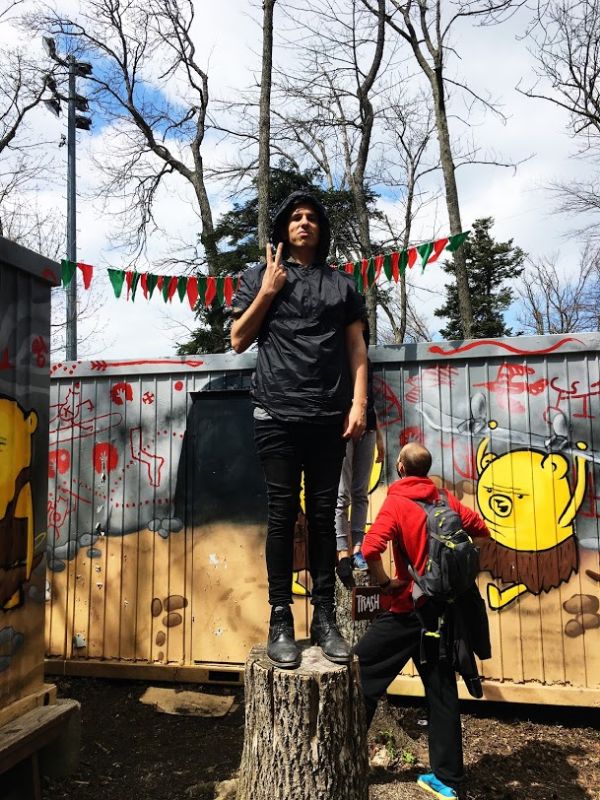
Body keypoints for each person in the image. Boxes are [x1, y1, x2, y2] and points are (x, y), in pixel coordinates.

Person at [231, 190, 368, 669]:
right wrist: (269, 290)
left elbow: (357, 350)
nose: (304, 222)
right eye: (295, 217)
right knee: (283, 515)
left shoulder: (342, 285)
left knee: (324, 515)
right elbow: (237, 339)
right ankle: (280, 619)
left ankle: (325, 618)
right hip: (275, 412)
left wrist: (359, 404)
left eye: (311, 217)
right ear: (284, 228)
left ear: (321, 229)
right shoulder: (258, 277)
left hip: (329, 416)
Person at [354, 442, 490, 800]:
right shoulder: (445, 499)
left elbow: (370, 549)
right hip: (444, 612)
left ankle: (345, 760)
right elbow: (481, 532)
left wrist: (386, 583)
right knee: (442, 691)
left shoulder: (396, 502)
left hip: (407, 611)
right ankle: (448, 781)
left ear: (400, 467)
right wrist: (457, 576)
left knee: (359, 672)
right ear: (425, 469)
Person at [335, 310, 384, 587]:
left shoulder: (367, 360)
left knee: (360, 492)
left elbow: (372, 401)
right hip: (341, 429)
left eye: (362, 322)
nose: (359, 326)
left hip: (369, 429)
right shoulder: (336, 355)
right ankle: (342, 550)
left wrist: (379, 437)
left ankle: (357, 549)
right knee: (342, 494)